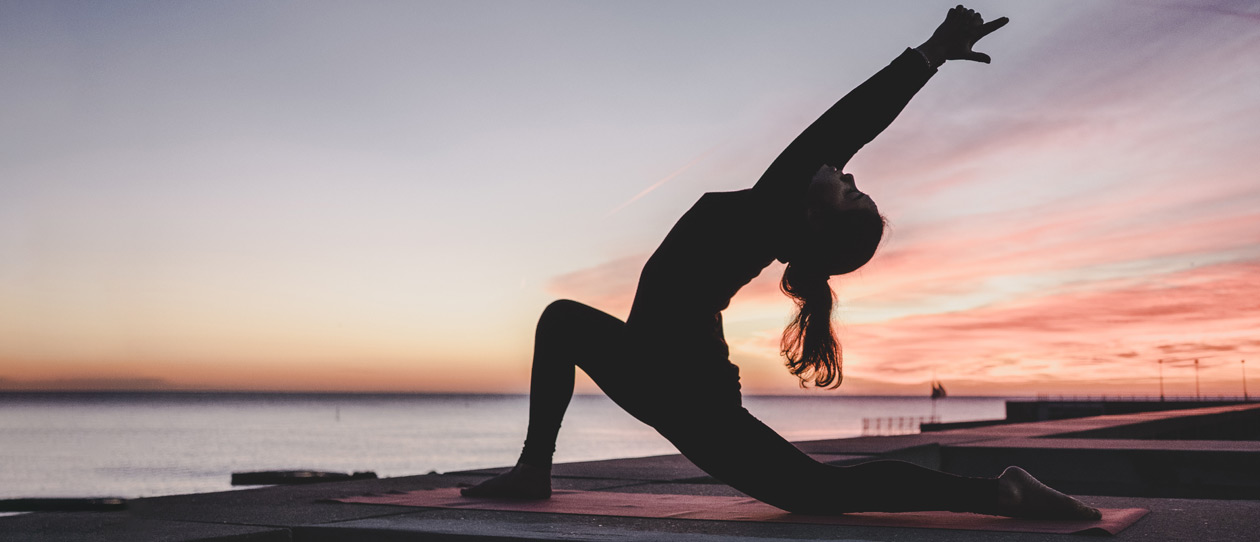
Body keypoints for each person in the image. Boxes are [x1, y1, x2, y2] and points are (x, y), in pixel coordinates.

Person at [463, 6, 1100, 519]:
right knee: (561, 321)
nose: (845, 172)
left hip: (683, 389)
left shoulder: (774, 208)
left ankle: (1000, 493)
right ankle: (533, 469)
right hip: (657, 368)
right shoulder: (770, 217)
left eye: (850, 190)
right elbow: (844, 136)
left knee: (818, 496)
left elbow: (848, 123)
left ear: (816, 219)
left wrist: (930, 54)